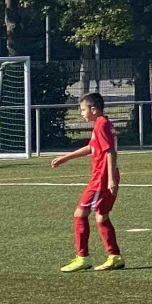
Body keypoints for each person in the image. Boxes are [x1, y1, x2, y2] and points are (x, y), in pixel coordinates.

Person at [51, 91, 124, 272]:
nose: (81, 113)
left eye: (83, 109)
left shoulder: (101, 125)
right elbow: (92, 147)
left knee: (80, 214)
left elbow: (110, 152)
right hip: (105, 176)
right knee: (101, 216)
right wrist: (66, 158)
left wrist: (109, 179)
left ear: (93, 109)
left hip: (101, 178)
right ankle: (114, 256)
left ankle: (83, 257)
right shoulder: (103, 123)